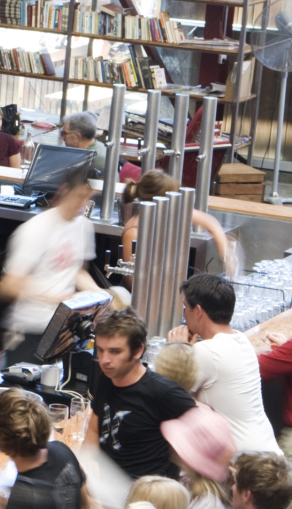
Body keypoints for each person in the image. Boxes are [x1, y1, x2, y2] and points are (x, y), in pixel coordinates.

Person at [0, 161, 97, 367]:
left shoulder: (84, 226)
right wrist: (61, 300)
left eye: (88, 197)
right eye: (79, 196)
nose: (84, 203)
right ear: (64, 191)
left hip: (65, 329)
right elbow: (8, 287)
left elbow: (77, 271)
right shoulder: (35, 230)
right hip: (31, 328)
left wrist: (100, 297)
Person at [85, 308, 194, 484]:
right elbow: (93, 429)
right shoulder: (107, 377)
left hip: (144, 499)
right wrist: (88, 459)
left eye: (115, 351)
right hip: (105, 488)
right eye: (100, 350)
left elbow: (209, 438)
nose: (104, 360)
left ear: (137, 351)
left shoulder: (164, 392)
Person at [180, 273, 279, 456]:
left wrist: (178, 350)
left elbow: (173, 398)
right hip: (266, 450)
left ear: (199, 311)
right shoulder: (240, 339)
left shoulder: (206, 351)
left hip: (243, 462)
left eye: (186, 307)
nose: (184, 314)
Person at [120, 169, 235, 274]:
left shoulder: (171, 213)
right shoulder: (134, 232)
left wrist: (226, 256)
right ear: (159, 202)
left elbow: (211, 223)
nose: (178, 205)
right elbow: (132, 279)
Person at [58, 111, 106, 181]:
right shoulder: (100, 146)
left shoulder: (86, 159)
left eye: (64, 132)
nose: (62, 136)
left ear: (77, 137)